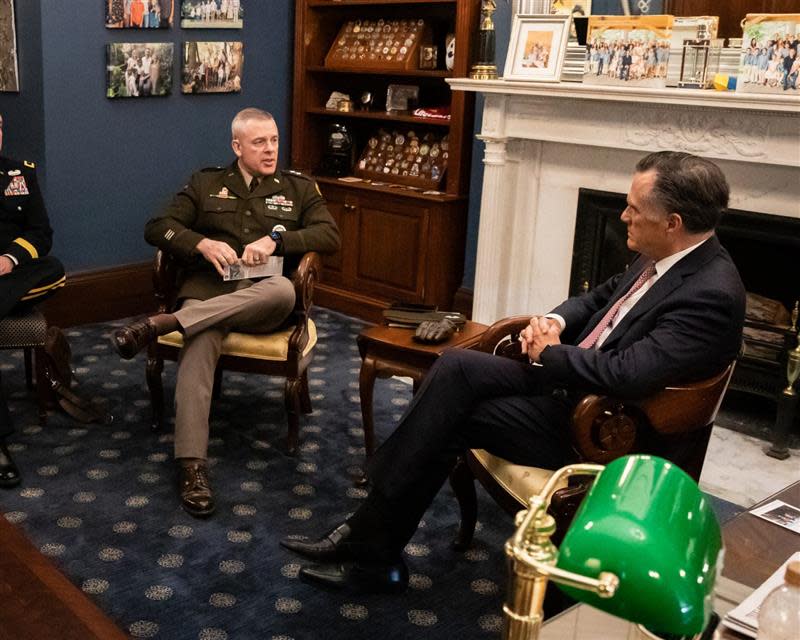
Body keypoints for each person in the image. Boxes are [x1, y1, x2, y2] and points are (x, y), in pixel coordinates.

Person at [280, 151, 746, 594]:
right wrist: (555, 323)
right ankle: (371, 541)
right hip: (573, 385)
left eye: (633, 209)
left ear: (673, 223)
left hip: (604, 427)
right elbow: (598, 299)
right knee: (456, 366)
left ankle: (368, 539)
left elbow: (628, 374)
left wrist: (548, 354)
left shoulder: (711, 293)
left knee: (447, 415)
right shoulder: (662, 253)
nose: (624, 216)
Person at [112, 108, 340, 517]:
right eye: (259, 142)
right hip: (208, 292)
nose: (270, 150)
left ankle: (166, 324)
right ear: (237, 146)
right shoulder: (206, 183)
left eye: (273, 140)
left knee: (284, 289)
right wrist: (201, 244)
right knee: (200, 341)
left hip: (266, 297)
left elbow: (329, 236)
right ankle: (192, 466)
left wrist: (277, 240)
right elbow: (157, 225)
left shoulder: (298, 188)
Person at [0, 114, 66, 488]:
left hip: (13, 273)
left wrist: (8, 260)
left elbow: (41, 233)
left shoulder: (19, 174)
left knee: (51, 266)